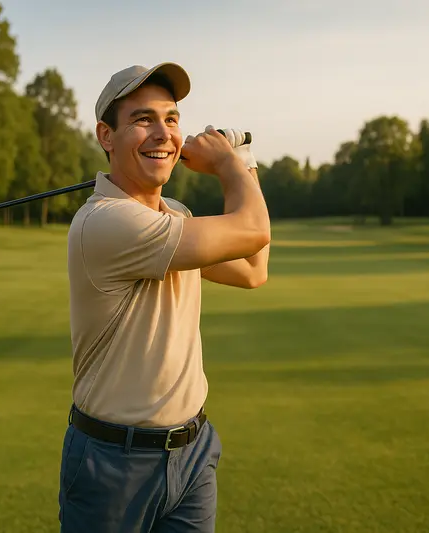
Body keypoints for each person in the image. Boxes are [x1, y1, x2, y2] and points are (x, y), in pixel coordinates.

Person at [59, 62, 271, 532]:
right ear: (105, 136)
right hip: (114, 464)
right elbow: (254, 228)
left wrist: (246, 160)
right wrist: (227, 162)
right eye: (142, 119)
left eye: (172, 119)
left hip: (192, 455)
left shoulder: (176, 214)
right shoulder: (105, 223)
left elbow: (254, 270)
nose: (163, 133)